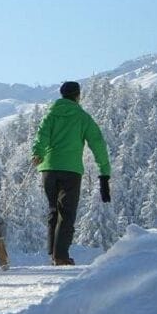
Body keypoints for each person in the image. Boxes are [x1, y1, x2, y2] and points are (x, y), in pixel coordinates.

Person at [31, 81, 112, 265]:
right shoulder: (82, 117)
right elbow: (97, 143)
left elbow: (41, 135)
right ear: (78, 95)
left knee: (54, 210)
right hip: (71, 170)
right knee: (66, 213)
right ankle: (60, 256)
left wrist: (38, 153)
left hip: (48, 169)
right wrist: (104, 172)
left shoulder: (50, 115)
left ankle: (53, 254)